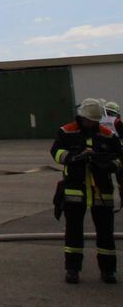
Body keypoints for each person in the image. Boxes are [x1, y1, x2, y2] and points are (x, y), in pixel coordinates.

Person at [51, 98, 123, 284]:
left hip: (101, 190)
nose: (92, 123)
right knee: (73, 231)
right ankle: (72, 269)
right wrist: (73, 157)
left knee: (106, 233)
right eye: (89, 120)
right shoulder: (67, 132)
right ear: (81, 117)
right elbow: (56, 151)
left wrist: (109, 164)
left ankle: (108, 270)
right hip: (75, 189)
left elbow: (120, 158)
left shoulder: (107, 135)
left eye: (95, 120)